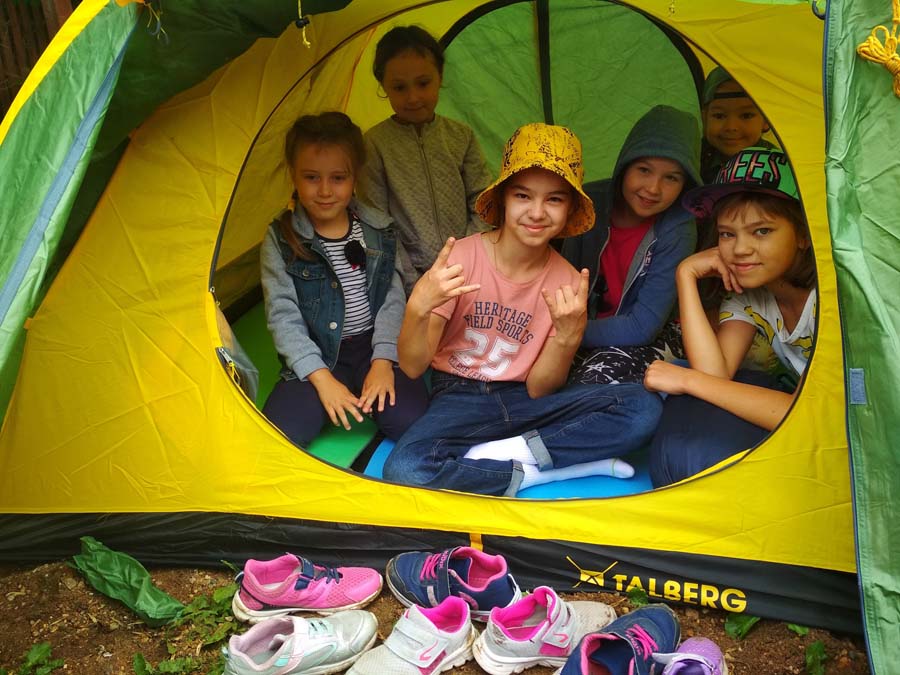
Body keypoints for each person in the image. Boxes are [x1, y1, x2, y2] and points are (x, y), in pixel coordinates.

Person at [382, 123, 663, 497]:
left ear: (569, 208)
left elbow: (540, 388)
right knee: (404, 469)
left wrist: (567, 338)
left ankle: (509, 454)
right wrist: (418, 307)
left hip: (526, 401)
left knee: (642, 407)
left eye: (554, 199)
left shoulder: (567, 281)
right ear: (503, 199)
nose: (537, 212)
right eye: (523, 196)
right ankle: (537, 471)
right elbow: (413, 367)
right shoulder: (462, 257)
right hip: (460, 397)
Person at [644, 147, 816, 486]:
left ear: (803, 235)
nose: (740, 249)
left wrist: (686, 380)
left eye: (762, 231)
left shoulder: (829, 302)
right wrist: (686, 273)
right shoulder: (751, 296)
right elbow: (716, 374)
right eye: (727, 234)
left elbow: (807, 414)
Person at [260, 112, 429, 448]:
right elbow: (283, 316)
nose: (325, 191)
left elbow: (393, 299)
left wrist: (383, 361)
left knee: (413, 424)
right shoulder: (280, 238)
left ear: (355, 177)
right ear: (293, 175)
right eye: (311, 177)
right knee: (278, 436)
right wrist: (322, 379)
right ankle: (330, 388)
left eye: (338, 178)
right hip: (319, 354)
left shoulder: (379, 230)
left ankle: (370, 378)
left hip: (374, 346)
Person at [561, 105, 701, 385]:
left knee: (595, 381)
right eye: (644, 170)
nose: (653, 188)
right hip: (576, 326)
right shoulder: (589, 203)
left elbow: (643, 327)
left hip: (651, 335)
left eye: (671, 178)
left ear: (685, 184)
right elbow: (563, 280)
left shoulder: (678, 227)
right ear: (625, 166)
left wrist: (567, 334)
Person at [357, 25, 492, 293]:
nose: (413, 97)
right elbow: (376, 221)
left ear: (440, 76)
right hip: (409, 280)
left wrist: (465, 261)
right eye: (399, 87)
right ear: (383, 86)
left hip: (470, 269)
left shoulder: (460, 136)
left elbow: (483, 201)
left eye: (423, 83)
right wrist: (414, 283)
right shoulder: (374, 144)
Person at [700, 67, 774, 186]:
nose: (731, 127)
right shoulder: (693, 160)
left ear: (766, 120)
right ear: (704, 118)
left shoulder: (778, 167)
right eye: (719, 116)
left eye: (746, 115)